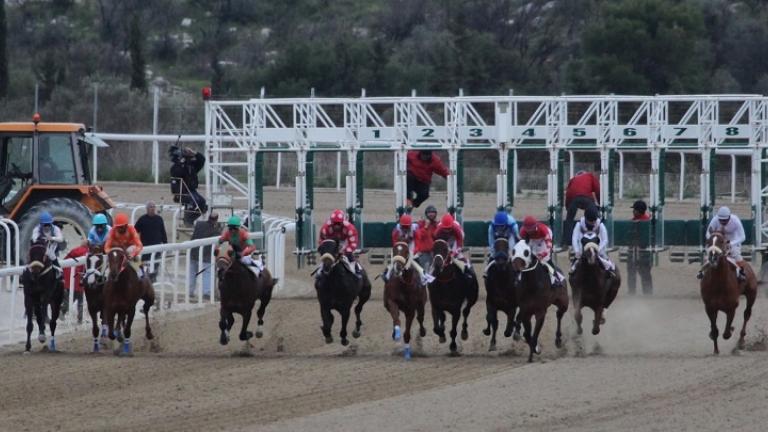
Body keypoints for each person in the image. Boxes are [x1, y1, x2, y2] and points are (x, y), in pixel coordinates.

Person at [699, 206, 747, 281]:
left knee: (736, 254)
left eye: (725, 220)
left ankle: (741, 272)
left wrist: (730, 243)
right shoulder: (715, 219)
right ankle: (702, 272)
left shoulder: (735, 220)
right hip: (718, 241)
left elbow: (743, 237)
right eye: (721, 220)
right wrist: (712, 240)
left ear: (729, 217)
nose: (723, 222)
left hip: (732, 241)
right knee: (708, 253)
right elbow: (708, 233)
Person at [384, 214, 433, 285]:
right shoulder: (396, 229)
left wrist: (413, 253)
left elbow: (417, 242)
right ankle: (387, 274)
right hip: (400, 244)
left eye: (407, 227)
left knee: (412, 258)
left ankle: (423, 276)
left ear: (410, 225)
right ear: (400, 225)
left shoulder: (415, 228)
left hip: (411, 244)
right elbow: (395, 243)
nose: (405, 228)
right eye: (403, 227)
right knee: (395, 258)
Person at [570, 204, 616, 279]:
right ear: (585, 218)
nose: (592, 223)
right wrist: (577, 251)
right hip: (583, 250)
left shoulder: (600, 224)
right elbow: (574, 239)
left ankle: (610, 271)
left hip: (598, 249)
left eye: (594, 221)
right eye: (590, 221)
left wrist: (598, 249)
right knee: (574, 267)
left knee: (607, 262)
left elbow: (605, 240)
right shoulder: (579, 224)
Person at [519, 216, 565, 289]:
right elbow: (521, 246)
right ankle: (519, 278)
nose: (530, 231)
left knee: (545, 260)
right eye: (528, 230)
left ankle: (556, 279)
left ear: (535, 226)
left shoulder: (543, 229)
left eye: (531, 229)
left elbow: (549, 246)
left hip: (543, 239)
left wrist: (542, 254)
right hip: (532, 240)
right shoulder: (522, 232)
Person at [170, 146, 208, 226]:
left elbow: (202, 160)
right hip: (183, 192)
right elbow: (177, 173)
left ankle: (190, 220)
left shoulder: (191, 166)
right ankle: (187, 221)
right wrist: (181, 162)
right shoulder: (176, 167)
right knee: (195, 202)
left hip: (192, 191)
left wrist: (194, 153)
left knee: (203, 203)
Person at [318, 209, 361, 277]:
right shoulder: (325, 228)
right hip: (331, 243)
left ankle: (357, 270)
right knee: (326, 257)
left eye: (339, 224)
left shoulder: (350, 228)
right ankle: (320, 271)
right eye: (334, 223)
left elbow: (353, 243)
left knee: (350, 256)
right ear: (331, 222)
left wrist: (344, 251)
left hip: (345, 242)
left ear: (343, 222)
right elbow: (322, 242)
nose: (337, 226)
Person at [562, 170, 600, 247]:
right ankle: (596, 236)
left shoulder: (573, 179)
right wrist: (600, 203)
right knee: (594, 215)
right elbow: (598, 189)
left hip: (574, 199)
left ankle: (567, 242)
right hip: (586, 197)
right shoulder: (590, 175)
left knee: (569, 220)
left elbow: (568, 193)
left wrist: (567, 207)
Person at [104, 213, 147, 279]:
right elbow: (106, 247)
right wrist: (111, 252)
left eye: (121, 227)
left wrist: (133, 254)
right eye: (118, 227)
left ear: (126, 225)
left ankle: (140, 273)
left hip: (130, 249)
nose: (119, 229)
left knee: (129, 250)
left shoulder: (131, 229)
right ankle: (105, 276)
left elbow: (139, 245)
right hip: (118, 250)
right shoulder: (113, 230)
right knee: (112, 255)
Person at [188, 212, 220, 299]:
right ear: (216, 220)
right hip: (206, 256)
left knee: (192, 273)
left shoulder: (199, 224)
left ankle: (190, 292)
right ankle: (207, 293)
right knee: (207, 273)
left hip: (193, 253)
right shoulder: (216, 231)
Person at [134, 201, 168, 279]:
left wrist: (166, 244)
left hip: (157, 248)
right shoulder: (142, 219)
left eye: (153, 207)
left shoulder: (159, 219)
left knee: (155, 266)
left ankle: (153, 279)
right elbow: (135, 231)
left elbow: (163, 232)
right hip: (146, 248)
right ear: (147, 209)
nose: (152, 209)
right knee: (144, 266)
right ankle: (145, 279)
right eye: (150, 207)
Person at [434, 213, 473, 279]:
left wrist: (455, 252)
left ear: (452, 226)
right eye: (445, 229)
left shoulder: (456, 227)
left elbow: (459, 241)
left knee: (458, 256)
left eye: (449, 228)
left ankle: (468, 269)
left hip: (456, 238)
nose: (447, 231)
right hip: (444, 239)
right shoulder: (438, 229)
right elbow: (437, 242)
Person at [627, 200, 653, 295]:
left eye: (634, 209)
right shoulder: (648, 221)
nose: (633, 211)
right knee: (645, 274)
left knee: (633, 273)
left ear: (638, 211)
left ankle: (632, 292)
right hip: (644, 252)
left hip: (638, 251)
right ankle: (648, 293)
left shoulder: (634, 222)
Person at [31, 211, 65, 276]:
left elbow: (61, 239)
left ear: (51, 223)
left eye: (48, 224)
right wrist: (43, 238)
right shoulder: (37, 229)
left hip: (52, 247)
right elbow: (34, 239)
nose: (47, 226)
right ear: (41, 224)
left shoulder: (55, 228)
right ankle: (27, 271)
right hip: (40, 246)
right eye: (45, 225)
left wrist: (52, 238)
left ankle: (59, 271)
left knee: (51, 254)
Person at [63, 241, 88, 324]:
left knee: (70, 299)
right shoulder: (87, 252)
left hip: (69, 279)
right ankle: (80, 319)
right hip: (79, 279)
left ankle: (62, 312)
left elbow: (65, 261)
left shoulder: (75, 250)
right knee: (80, 301)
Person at [414, 205, 439, 270]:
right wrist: (426, 226)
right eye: (429, 212)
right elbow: (419, 235)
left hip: (434, 252)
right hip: (423, 253)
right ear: (426, 214)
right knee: (425, 270)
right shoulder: (420, 224)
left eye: (433, 212)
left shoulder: (436, 224)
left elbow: (436, 236)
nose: (431, 214)